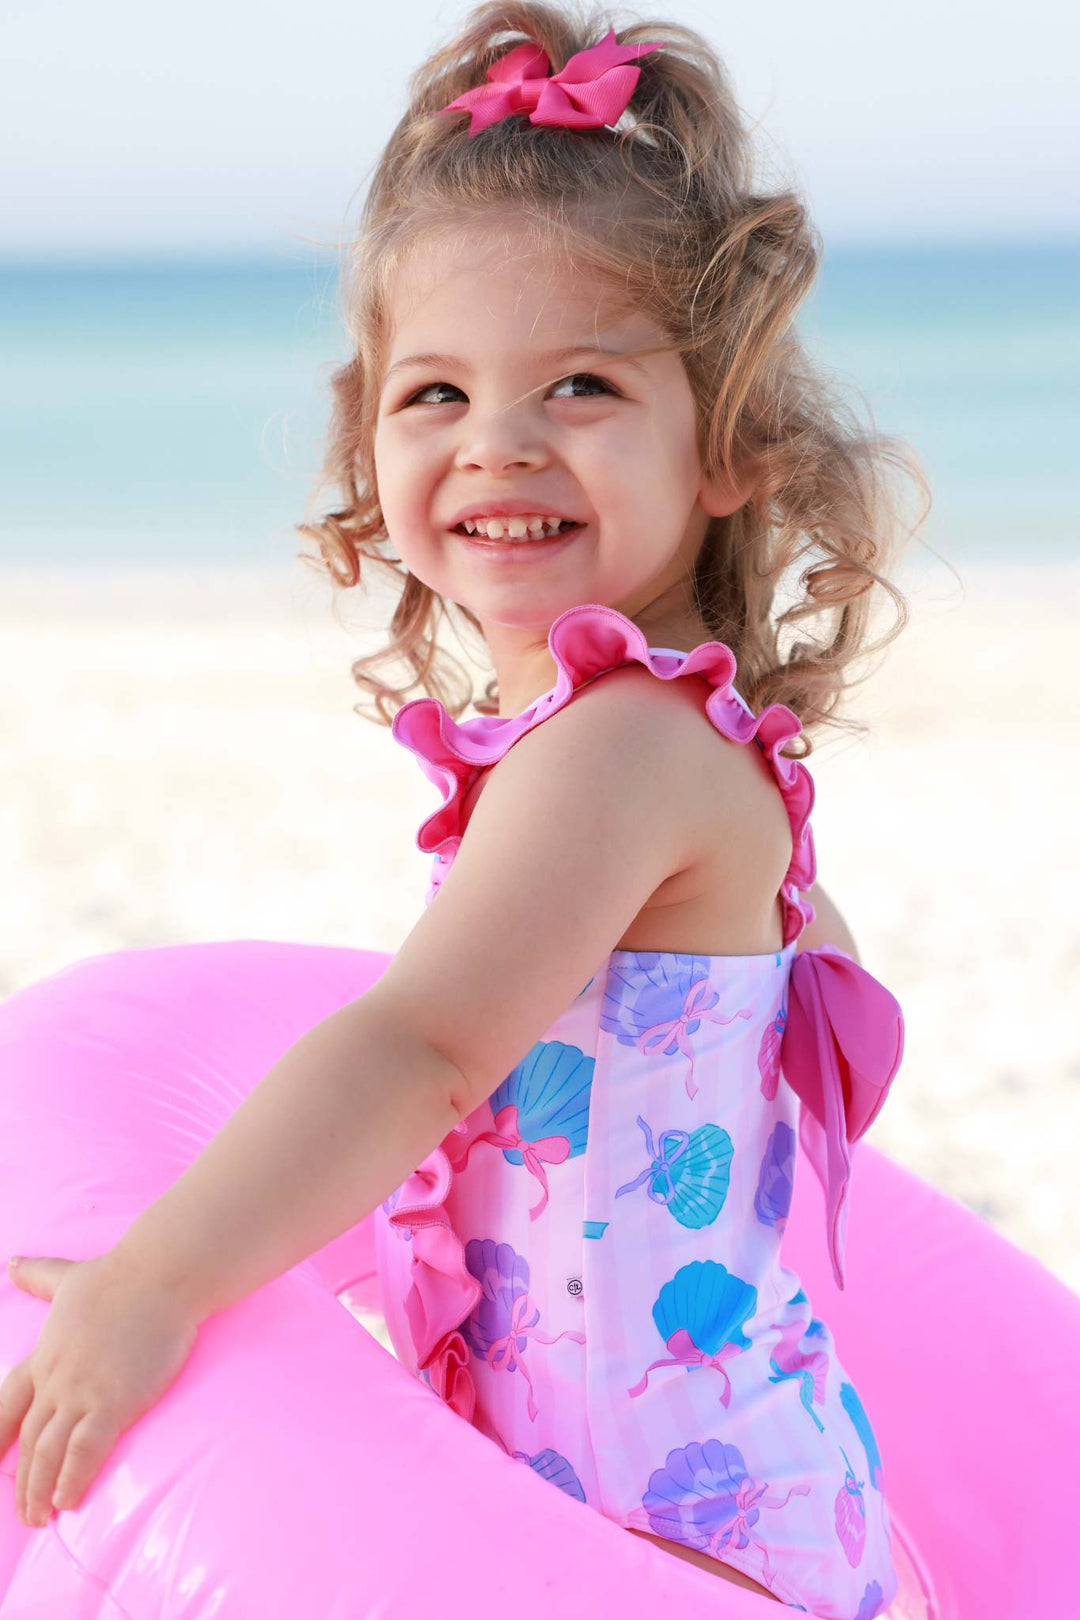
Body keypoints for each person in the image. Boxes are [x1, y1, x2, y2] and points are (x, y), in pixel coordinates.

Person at [0, 6, 925, 1615]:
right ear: (369, 435)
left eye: (578, 383)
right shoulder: (671, 738)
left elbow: (421, 1053)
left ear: (728, 446)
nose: (496, 439)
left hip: (666, 1516)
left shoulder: (618, 750)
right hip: (676, 1480)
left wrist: (161, 1279)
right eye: (433, 391)